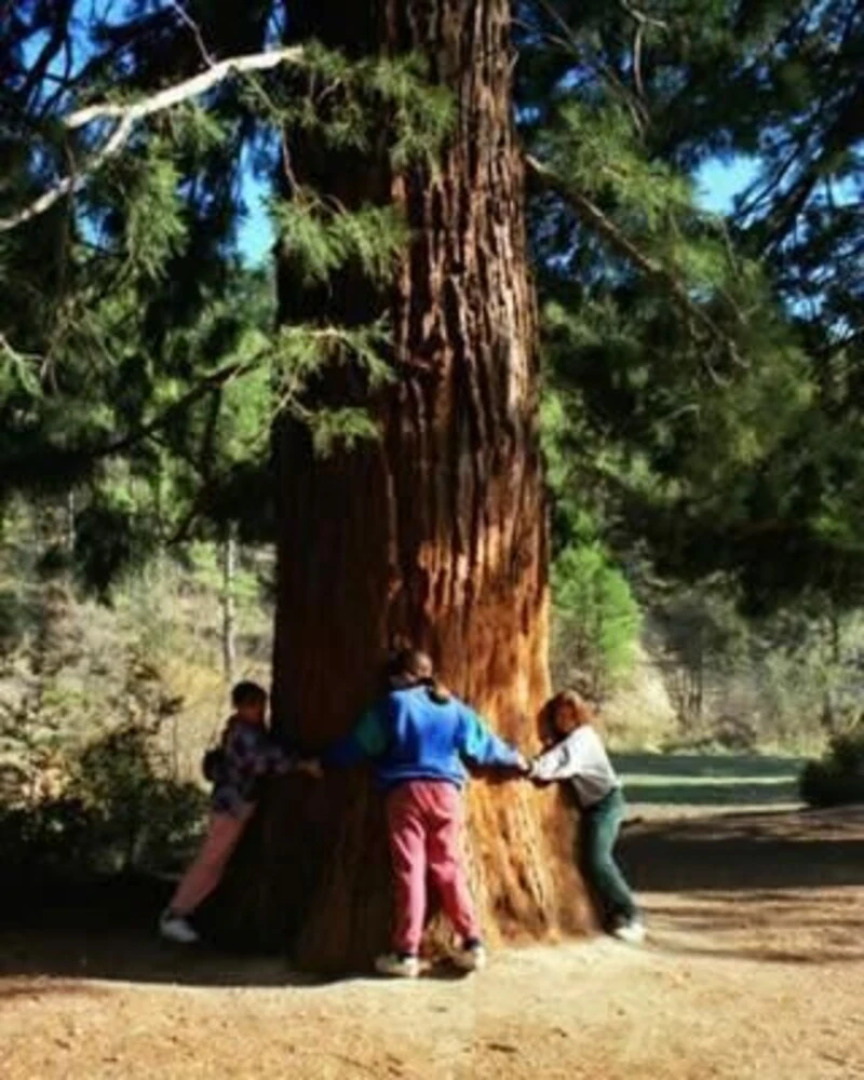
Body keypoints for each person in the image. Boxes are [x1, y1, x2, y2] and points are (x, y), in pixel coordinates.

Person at [325, 649, 528, 977]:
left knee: (411, 870)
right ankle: (473, 942)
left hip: (406, 793)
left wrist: (325, 758)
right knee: (449, 867)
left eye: (393, 677)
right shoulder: (454, 707)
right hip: (447, 794)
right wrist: (516, 758)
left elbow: (360, 745)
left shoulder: (394, 704)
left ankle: (406, 952)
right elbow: (484, 745)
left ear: (404, 676)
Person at [159, 680, 318, 944]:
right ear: (240, 707)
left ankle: (187, 910)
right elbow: (263, 762)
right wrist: (301, 764)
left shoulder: (246, 730)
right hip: (232, 805)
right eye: (252, 705)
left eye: (261, 705)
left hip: (235, 802)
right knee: (211, 859)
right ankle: (176, 913)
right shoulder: (244, 735)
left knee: (217, 859)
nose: (259, 710)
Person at [529, 689, 644, 944]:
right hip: (592, 807)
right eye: (559, 716)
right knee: (588, 859)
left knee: (598, 860)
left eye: (569, 715)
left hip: (607, 804)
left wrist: (532, 767)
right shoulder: (569, 739)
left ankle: (631, 915)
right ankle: (611, 914)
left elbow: (562, 763)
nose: (563, 721)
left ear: (579, 715)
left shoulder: (583, 738)